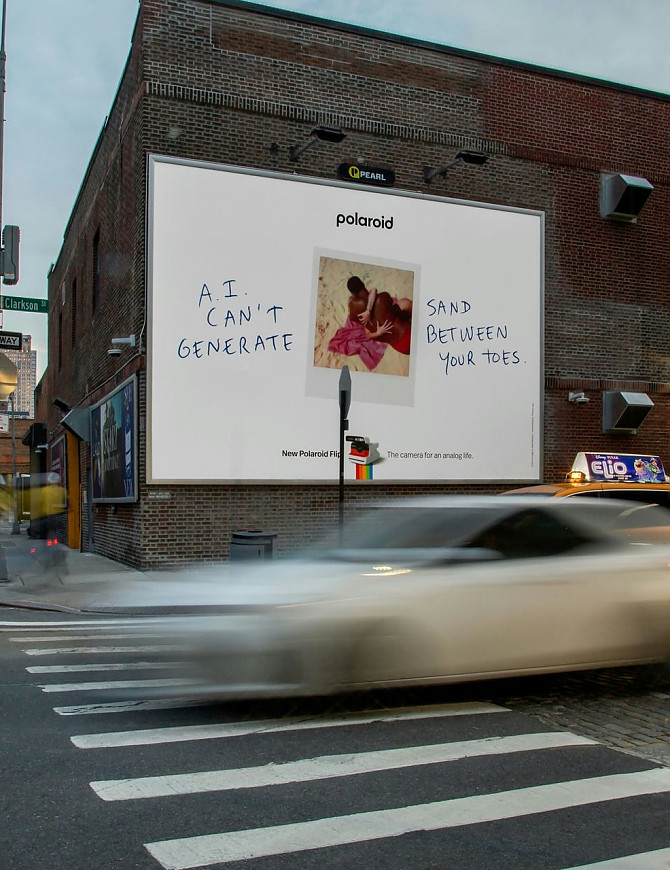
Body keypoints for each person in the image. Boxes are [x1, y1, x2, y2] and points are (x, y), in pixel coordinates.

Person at [327, 275, 413, 369]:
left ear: (352, 293)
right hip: (409, 335)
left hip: (401, 348)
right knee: (404, 302)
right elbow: (375, 291)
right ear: (363, 284)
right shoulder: (383, 297)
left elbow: (362, 329)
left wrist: (377, 331)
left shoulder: (355, 313)